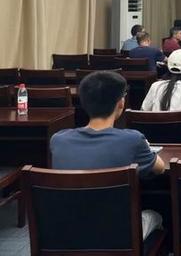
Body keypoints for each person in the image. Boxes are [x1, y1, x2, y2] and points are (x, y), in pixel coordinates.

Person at [50, 71, 164, 239]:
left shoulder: (58, 140)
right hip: (117, 235)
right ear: (121, 103)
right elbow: (160, 168)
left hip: (67, 232)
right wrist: (145, 146)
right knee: (157, 215)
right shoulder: (133, 140)